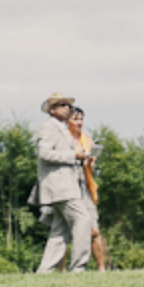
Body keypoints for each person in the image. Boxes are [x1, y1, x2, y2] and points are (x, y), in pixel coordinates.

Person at [31, 92, 93, 274]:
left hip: (66, 185)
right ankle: (78, 268)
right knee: (83, 220)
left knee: (59, 231)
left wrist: (81, 158)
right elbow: (44, 154)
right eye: (63, 105)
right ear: (52, 110)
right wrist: (73, 155)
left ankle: (45, 271)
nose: (68, 108)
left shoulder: (61, 129)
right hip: (60, 186)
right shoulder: (47, 128)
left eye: (68, 105)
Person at [67, 107, 109, 271]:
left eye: (81, 119)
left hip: (84, 186)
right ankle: (62, 269)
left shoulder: (86, 139)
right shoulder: (63, 139)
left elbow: (90, 172)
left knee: (94, 230)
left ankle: (101, 268)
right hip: (68, 187)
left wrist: (90, 163)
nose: (79, 123)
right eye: (75, 119)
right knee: (65, 231)